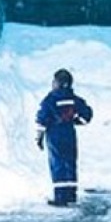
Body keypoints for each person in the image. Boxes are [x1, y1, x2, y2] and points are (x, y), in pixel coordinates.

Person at [34, 68, 93, 206]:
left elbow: (42, 119)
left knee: (58, 164)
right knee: (70, 163)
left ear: (57, 83)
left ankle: (60, 197)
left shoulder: (50, 99)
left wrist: (39, 137)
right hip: (69, 133)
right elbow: (87, 114)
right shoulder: (74, 99)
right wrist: (77, 121)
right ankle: (71, 195)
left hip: (55, 135)